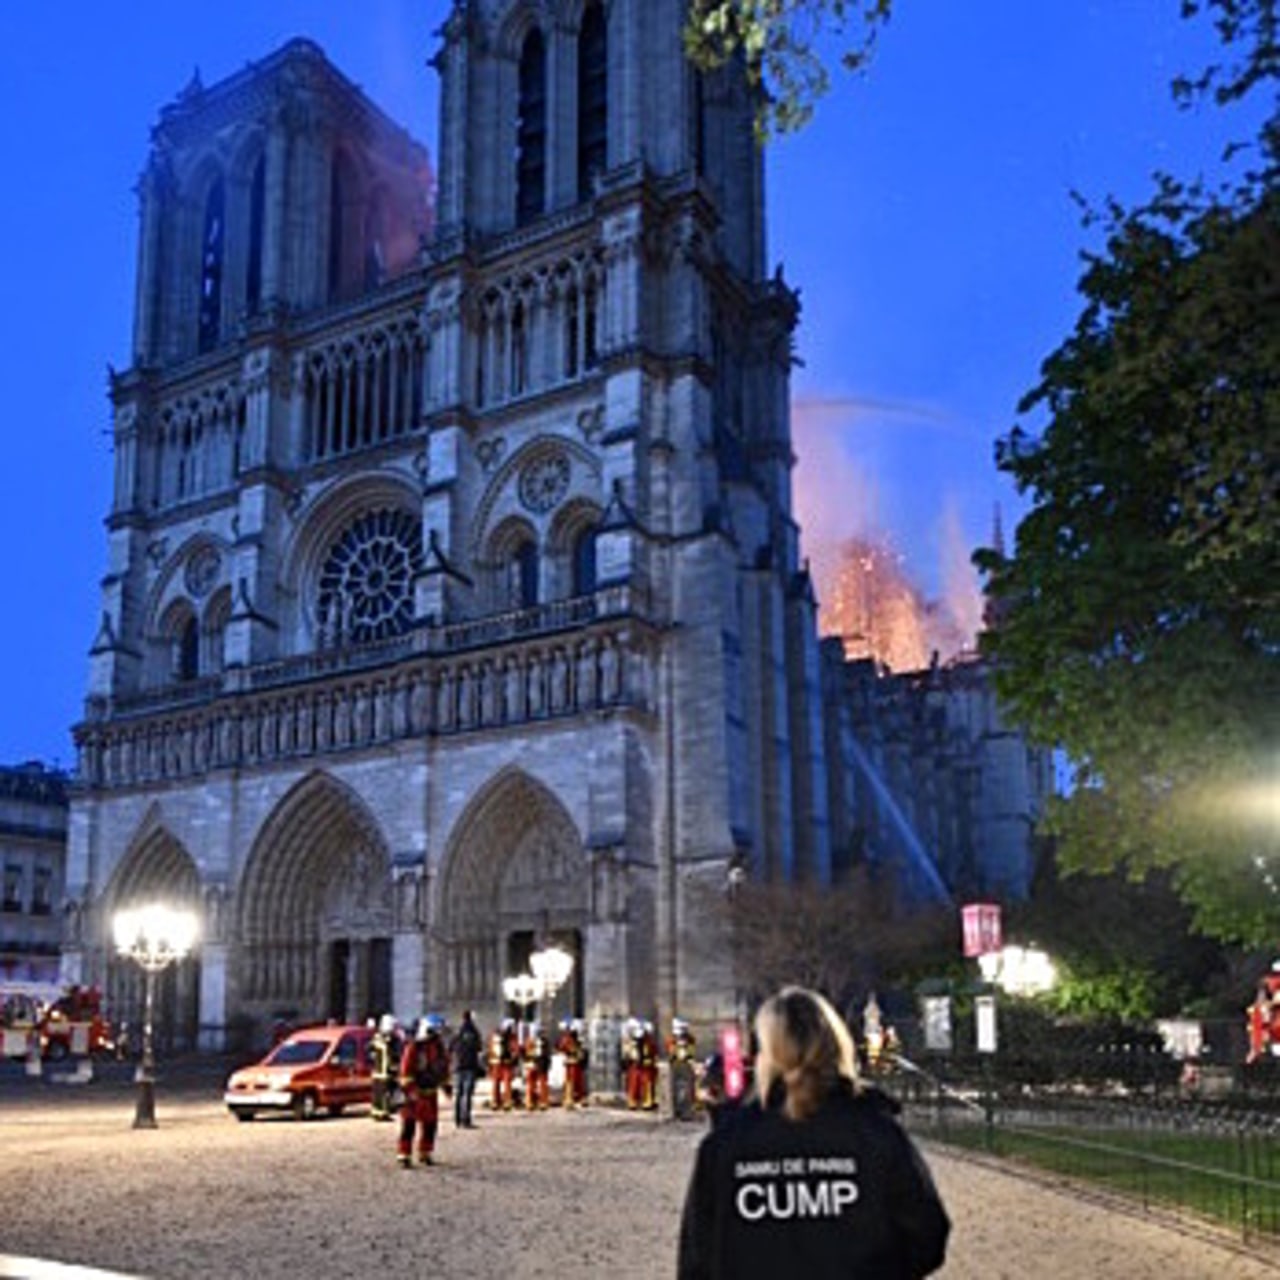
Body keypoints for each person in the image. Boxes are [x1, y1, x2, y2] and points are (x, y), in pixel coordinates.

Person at [678, 986, 950, 1280]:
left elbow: (697, 1262)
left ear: (767, 1054)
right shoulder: (876, 1133)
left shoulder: (725, 1146)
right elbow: (927, 1235)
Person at [397, 1015, 451, 1168]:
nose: (437, 1035)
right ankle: (404, 1154)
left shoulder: (439, 1047)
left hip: (430, 1092)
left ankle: (425, 1152)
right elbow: (405, 1069)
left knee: (430, 1125)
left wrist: (446, 1084)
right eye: (435, 1031)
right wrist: (409, 1089)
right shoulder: (414, 1047)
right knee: (409, 1125)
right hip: (415, 1092)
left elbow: (443, 1066)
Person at [449, 1009, 483, 1129]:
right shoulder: (475, 1032)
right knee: (467, 1094)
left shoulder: (457, 1032)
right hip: (470, 1066)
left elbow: (450, 1048)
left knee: (458, 1093)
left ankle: (457, 1119)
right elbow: (479, 1048)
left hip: (458, 1066)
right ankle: (466, 1119)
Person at [369, 1013, 400, 1122]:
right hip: (384, 1071)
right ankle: (382, 1113)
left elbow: (370, 1051)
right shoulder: (389, 1040)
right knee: (384, 1094)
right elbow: (394, 1055)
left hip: (378, 1071)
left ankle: (377, 1113)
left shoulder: (377, 1038)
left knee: (378, 1093)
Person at [488, 1017, 520, 1111]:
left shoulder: (495, 1036)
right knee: (506, 1083)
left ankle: (495, 1101)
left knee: (496, 1083)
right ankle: (507, 1101)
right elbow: (515, 1049)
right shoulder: (512, 1037)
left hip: (496, 1062)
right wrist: (513, 1060)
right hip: (506, 1063)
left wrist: (490, 1061)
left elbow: (490, 1050)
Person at [556, 1017, 587, 1109]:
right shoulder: (566, 1038)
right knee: (570, 1080)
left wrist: (579, 1052)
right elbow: (561, 1047)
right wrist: (569, 1050)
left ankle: (577, 1098)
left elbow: (581, 1049)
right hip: (570, 1061)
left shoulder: (577, 1038)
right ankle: (569, 1098)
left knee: (578, 1080)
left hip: (576, 1061)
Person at [523, 1020, 552, 1111]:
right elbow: (525, 1053)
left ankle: (542, 1101)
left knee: (542, 1084)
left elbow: (547, 1053)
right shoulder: (529, 1041)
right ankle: (531, 1101)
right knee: (531, 1084)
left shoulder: (544, 1041)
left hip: (541, 1063)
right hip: (532, 1063)